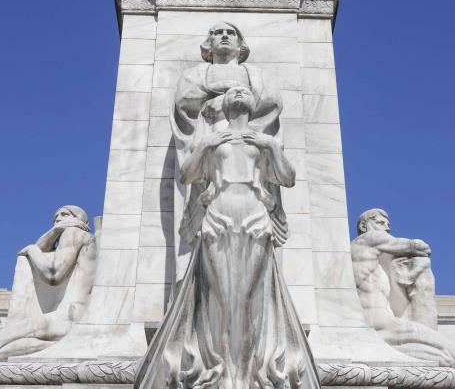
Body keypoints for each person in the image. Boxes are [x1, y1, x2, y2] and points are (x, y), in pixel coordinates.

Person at [136, 87, 319, 389]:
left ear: (253, 104)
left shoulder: (264, 141)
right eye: (233, 91)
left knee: (247, 301)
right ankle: (221, 370)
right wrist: (202, 146)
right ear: (223, 103)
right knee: (221, 300)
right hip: (218, 216)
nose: (238, 93)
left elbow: (287, 178)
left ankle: (241, 375)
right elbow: (186, 175)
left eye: (244, 92)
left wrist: (271, 148)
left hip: (255, 218)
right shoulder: (213, 139)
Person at [171, 23, 283, 255]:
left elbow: (272, 102)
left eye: (230, 33)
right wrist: (226, 96)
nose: (224, 36)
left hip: (249, 140)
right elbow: (184, 101)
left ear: (240, 44)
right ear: (208, 43)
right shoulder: (195, 74)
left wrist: (223, 103)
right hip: (209, 137)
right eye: (217, 33)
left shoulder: (256, 74)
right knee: (207, 195)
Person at [0, 206, 96, 366]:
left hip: (67, 318)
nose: (58, 218)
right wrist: (54, 232)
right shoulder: (84, 239)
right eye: (56, 217)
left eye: (64, 214)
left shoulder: (74, 233)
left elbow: (53, 273)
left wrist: (32, 250)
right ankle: (71, 346)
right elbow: (44, 249)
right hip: (69, 319)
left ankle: (74, 344)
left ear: (77, 219)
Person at [351, 208, 455, 370]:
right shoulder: (368, 239)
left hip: (381, 324)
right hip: (381, 324)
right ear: (364, 226)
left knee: (451, 358)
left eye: (388, 224)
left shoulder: (369, 258)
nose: (387, 227)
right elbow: (420, 247)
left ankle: (390, 356)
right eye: (380, 223)